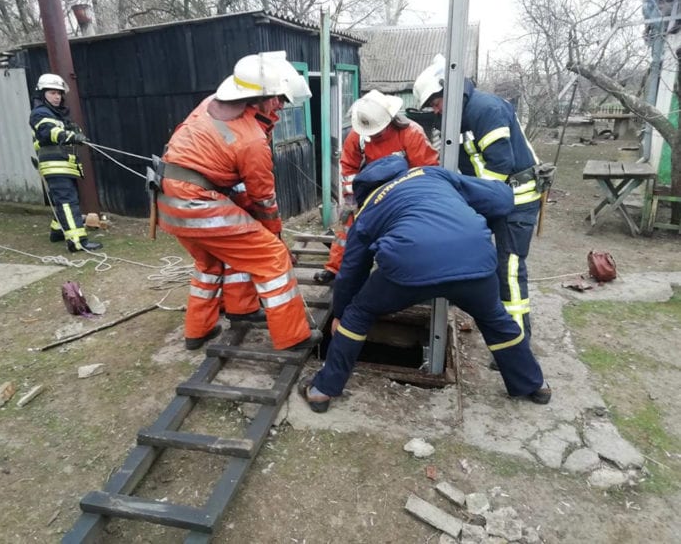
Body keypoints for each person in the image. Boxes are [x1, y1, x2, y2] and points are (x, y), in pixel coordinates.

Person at [299, 155, 551, 413]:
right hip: (475, 260)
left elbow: (352, 271)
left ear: (363, 191)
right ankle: (534, 384)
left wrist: (341, 314)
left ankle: (323, 390)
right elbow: (500, 199)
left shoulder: (369, 209)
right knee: (496, 319)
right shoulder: (430, 174)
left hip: (408, 269)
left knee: (358, 313)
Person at [154, 51, 321, 351]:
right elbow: (263, 198)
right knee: (271, 256)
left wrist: (249, 213)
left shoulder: (210, 104)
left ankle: (204, 328)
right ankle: (293, 338)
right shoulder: (252, 139)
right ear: (261, 99)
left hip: (168, 200)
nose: (281, 106)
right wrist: (275, 236)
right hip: (198, 202)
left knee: (211, 261)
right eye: (279, 99)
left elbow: (225, 172)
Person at [413, 56, 546, 345]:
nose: (435, 111)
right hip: (491, 197)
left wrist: (464, 199)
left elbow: (499, 168)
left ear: (449, 90)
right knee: (472, 253)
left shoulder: (486, 109)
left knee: (509, 269)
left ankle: (516, 341)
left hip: (517, 199)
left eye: (436, 103)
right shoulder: (455, 118)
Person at [313, 89, 439, 284]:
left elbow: (426, 170)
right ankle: (335, 268)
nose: (375, 135)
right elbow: (348, 166)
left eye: (378, 131)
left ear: (389, 119)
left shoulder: (411, 133)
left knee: (402, 233)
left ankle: (400, 275)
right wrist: (352, 197)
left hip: (402, 193)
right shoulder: (359, 134)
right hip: (368, 191)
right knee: (347, 225)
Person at [29, 73, 102, 253]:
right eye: (52, 93)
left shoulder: (58, 115)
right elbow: (48, 132)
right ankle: (77, 242)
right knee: (68, 202)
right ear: (42, 94)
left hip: (64, 165)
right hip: (55, 165)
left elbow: (65, 130)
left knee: (64, 200)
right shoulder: (40, 113)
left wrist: (75, 132)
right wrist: (69, 136)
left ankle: (57, 231)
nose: (57, 97)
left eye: (59, 93)